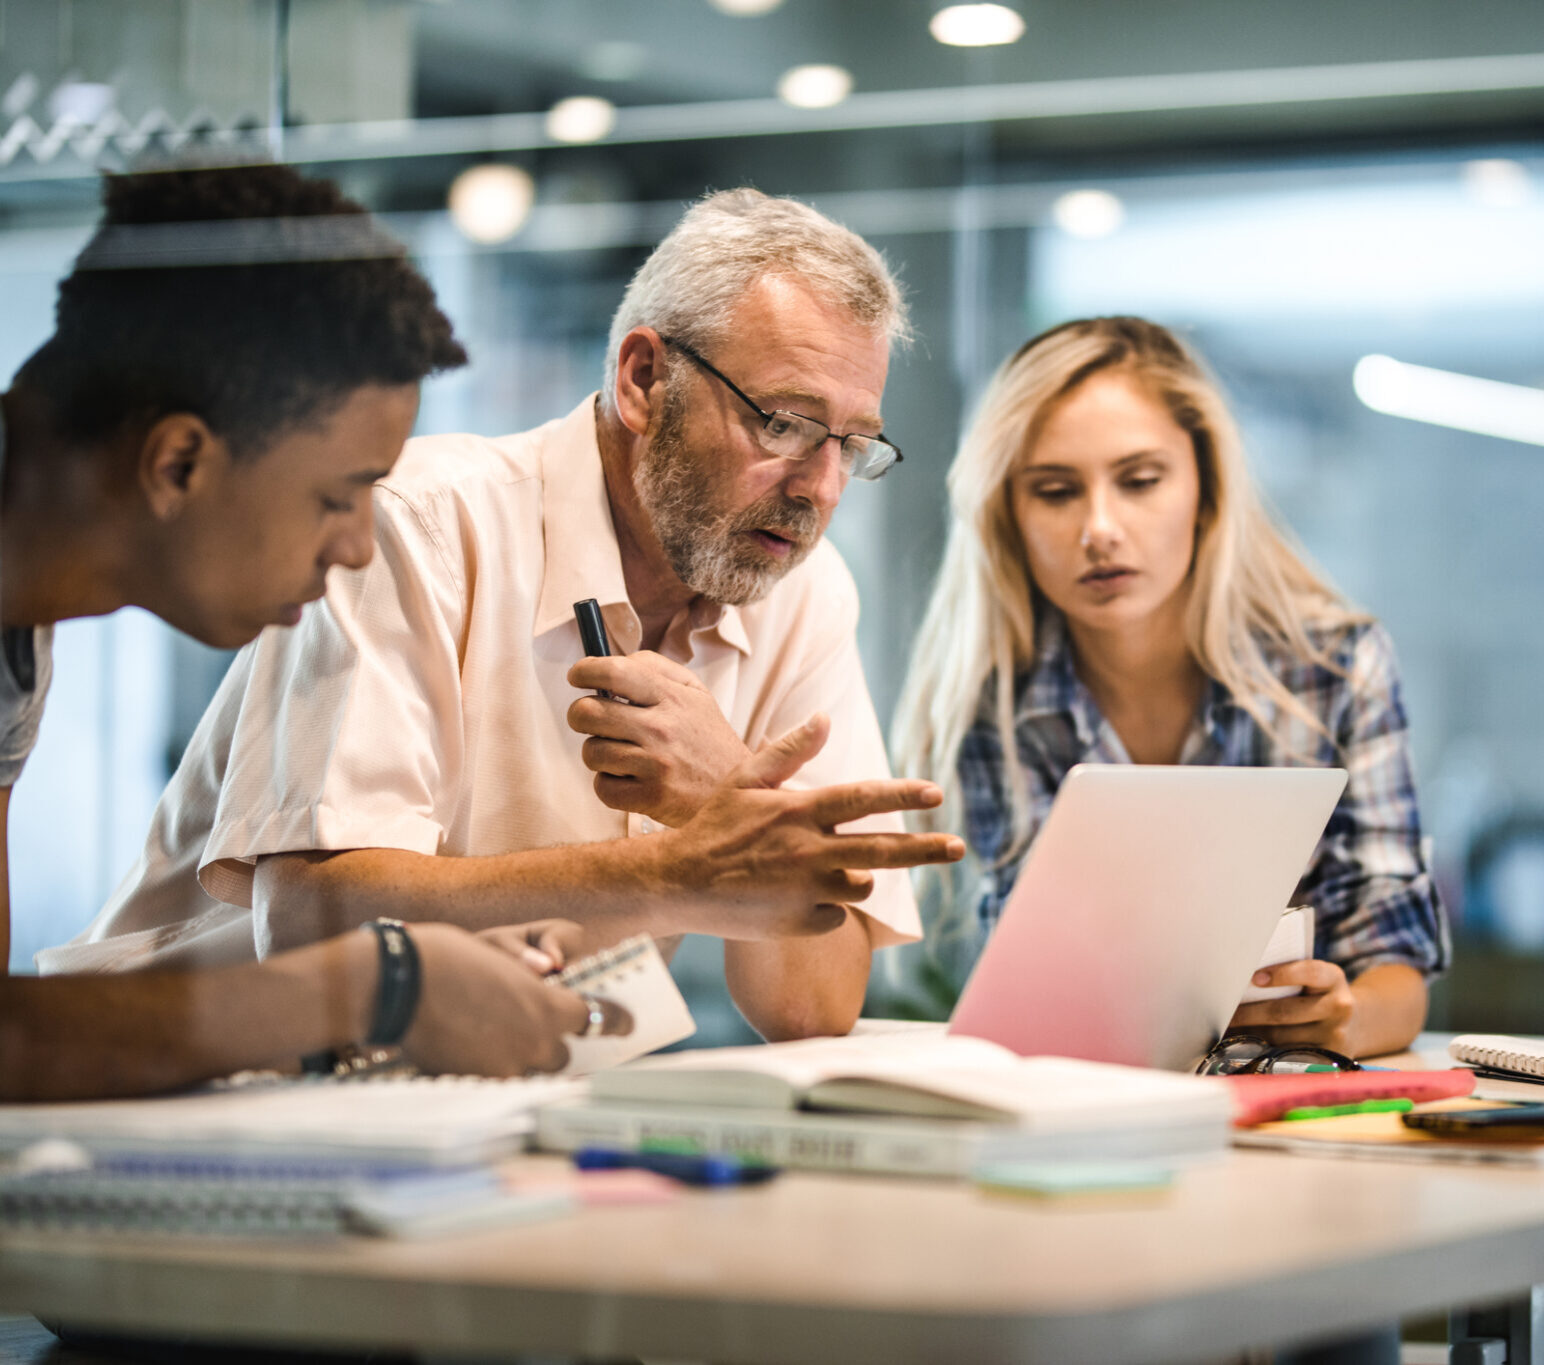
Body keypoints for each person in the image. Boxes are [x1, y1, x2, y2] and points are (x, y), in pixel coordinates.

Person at [46, 188, 964, 1044]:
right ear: (643, 378)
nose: (821, 487)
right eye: (785, 423)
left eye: (852, 444)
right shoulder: (415, 520)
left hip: (514, 1084)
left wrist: (727, 797)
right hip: (195, 1070)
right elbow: (301, 918)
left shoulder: (800, 588)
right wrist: (670, 874)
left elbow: (809, 1004)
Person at [0, 163, 619, 1099]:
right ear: (177, 463)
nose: (358, 547)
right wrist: (368, 987)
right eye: (337, 497)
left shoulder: (22, 626)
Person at [893, 316, 1447, 1059]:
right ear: (1009, 517)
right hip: (1089, 1100)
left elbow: (1395, 970)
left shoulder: (1338, 667)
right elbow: (1035, 992)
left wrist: (1340, 1017)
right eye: (1055, 492)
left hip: (1290, 1097)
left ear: (1205, 489)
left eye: (1140, 480)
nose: (1100, 528)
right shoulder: (994, 697)